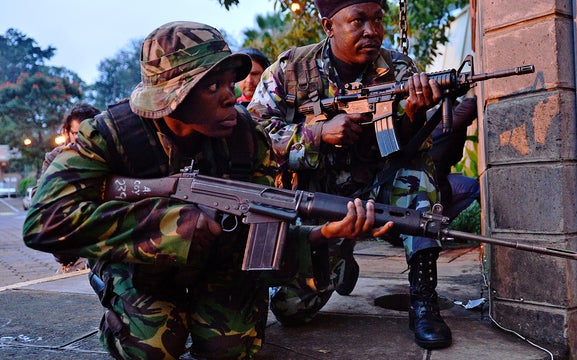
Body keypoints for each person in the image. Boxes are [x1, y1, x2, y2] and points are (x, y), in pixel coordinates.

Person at [23, 21, 391, 360]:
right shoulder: (110, 135)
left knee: (230, 348)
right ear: (172, 97)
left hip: (219, 261)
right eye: (212, 86)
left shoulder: (247, 137)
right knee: (150, 346)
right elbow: (44, 221)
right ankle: (122, 303)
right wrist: (166, 226)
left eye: (229, 82)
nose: (231, 96)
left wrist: (324, 234)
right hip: (141, 267)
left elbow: (259, 237)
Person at [248, 0, 452, 350]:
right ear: (329, 26)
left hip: (380, 186)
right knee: (290, 310)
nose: (371, 31)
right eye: (358, 21)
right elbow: (253, 136)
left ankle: (423, 298)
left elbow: (413, 147)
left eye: (377, 20)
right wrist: (318, 133)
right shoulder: (289, 69)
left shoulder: (400, 69)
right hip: (319, 203)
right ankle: (341, 259)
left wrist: (416, 116)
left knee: (417, 175)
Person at [40, 103, 100, 273]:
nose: (83, 139)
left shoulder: (109, 155)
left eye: (89, 133)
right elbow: (40, 198)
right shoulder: (55, 157)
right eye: (76, 134)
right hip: (72, 247)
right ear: (68, 132)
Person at [429, 96, 480, 220]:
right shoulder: (440, 118)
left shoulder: (427, 115)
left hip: (426, 182)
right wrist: (457, 94)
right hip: (432, 185)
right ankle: (438, 224)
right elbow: (470, 106)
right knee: (473, 187)